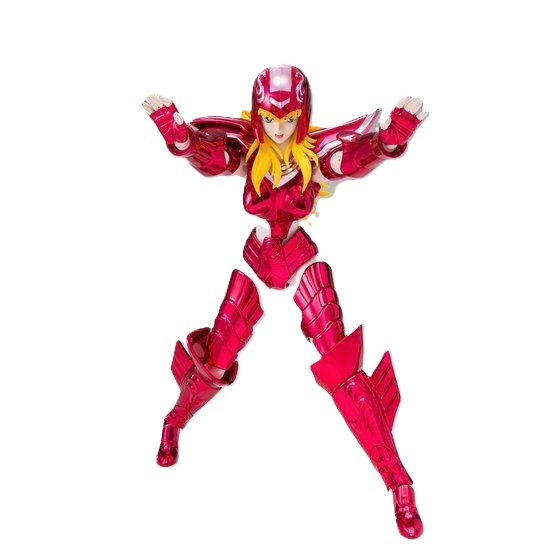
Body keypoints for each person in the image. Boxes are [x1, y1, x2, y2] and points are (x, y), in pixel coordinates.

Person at [143, 65, 427, 539]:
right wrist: (180, 136)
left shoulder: (314, 158)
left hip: (298, 258)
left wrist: (389, 139)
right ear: (259, 116)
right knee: (215, 360)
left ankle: (398, 482)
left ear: (302, 116)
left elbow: (353, 159)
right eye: (272, 119)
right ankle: (174, 421)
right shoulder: (248, 154)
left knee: (343, 369)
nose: (280, 129)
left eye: (290, 119)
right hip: (257, 259)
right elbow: (212, 155)